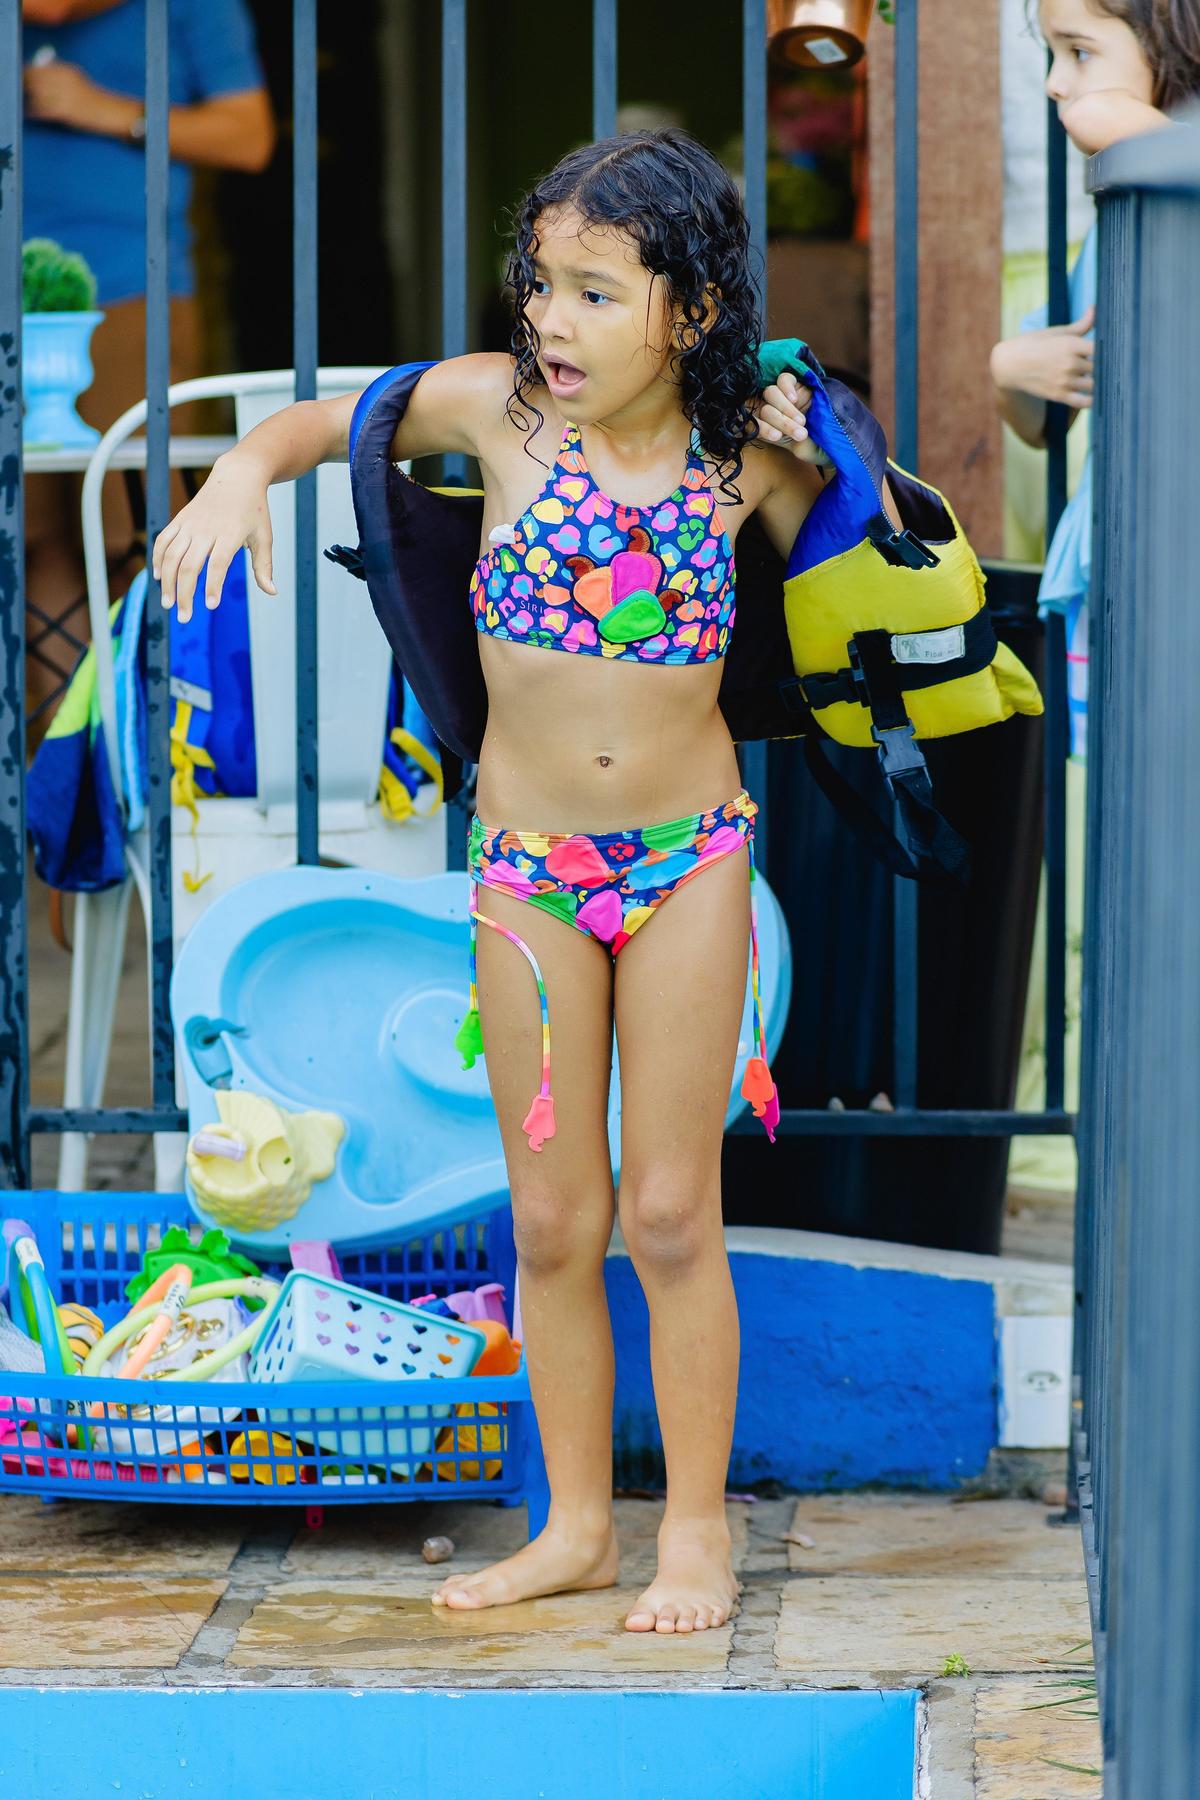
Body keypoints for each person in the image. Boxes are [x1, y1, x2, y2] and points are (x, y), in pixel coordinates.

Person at [153, 130, 834, 1635]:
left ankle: (697, 1535)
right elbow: (318, 424)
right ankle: (576, 1527)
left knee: (672, 1213)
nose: (552, 320)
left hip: (688, 861)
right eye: (542, 284)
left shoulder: (743, 456)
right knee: (552, 1221)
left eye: (596, 292)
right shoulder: (499, 415)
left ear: (693, 311)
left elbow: (888, 559)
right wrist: (238, 478)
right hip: (527, 871)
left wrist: (835, 442)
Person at [992, 0, 1198, 1194]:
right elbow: (1043, 407)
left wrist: (1142, 130)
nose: (1060, 88)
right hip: (1111, 583)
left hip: (1172, 586)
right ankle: (1098, 1125)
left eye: (1081, 54)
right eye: (1050, 58)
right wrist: (1009, 368)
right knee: (1104, 861)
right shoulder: (1109, 221)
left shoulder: (1167, 185)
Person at [21, 0, 274, 722]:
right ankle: (58, 753)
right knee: (33, 540)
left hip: (135, 293)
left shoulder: (193, 9)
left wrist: (106, 110)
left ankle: (141, 750)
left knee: (136, 535)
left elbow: (249, 136)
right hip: (17, 299)